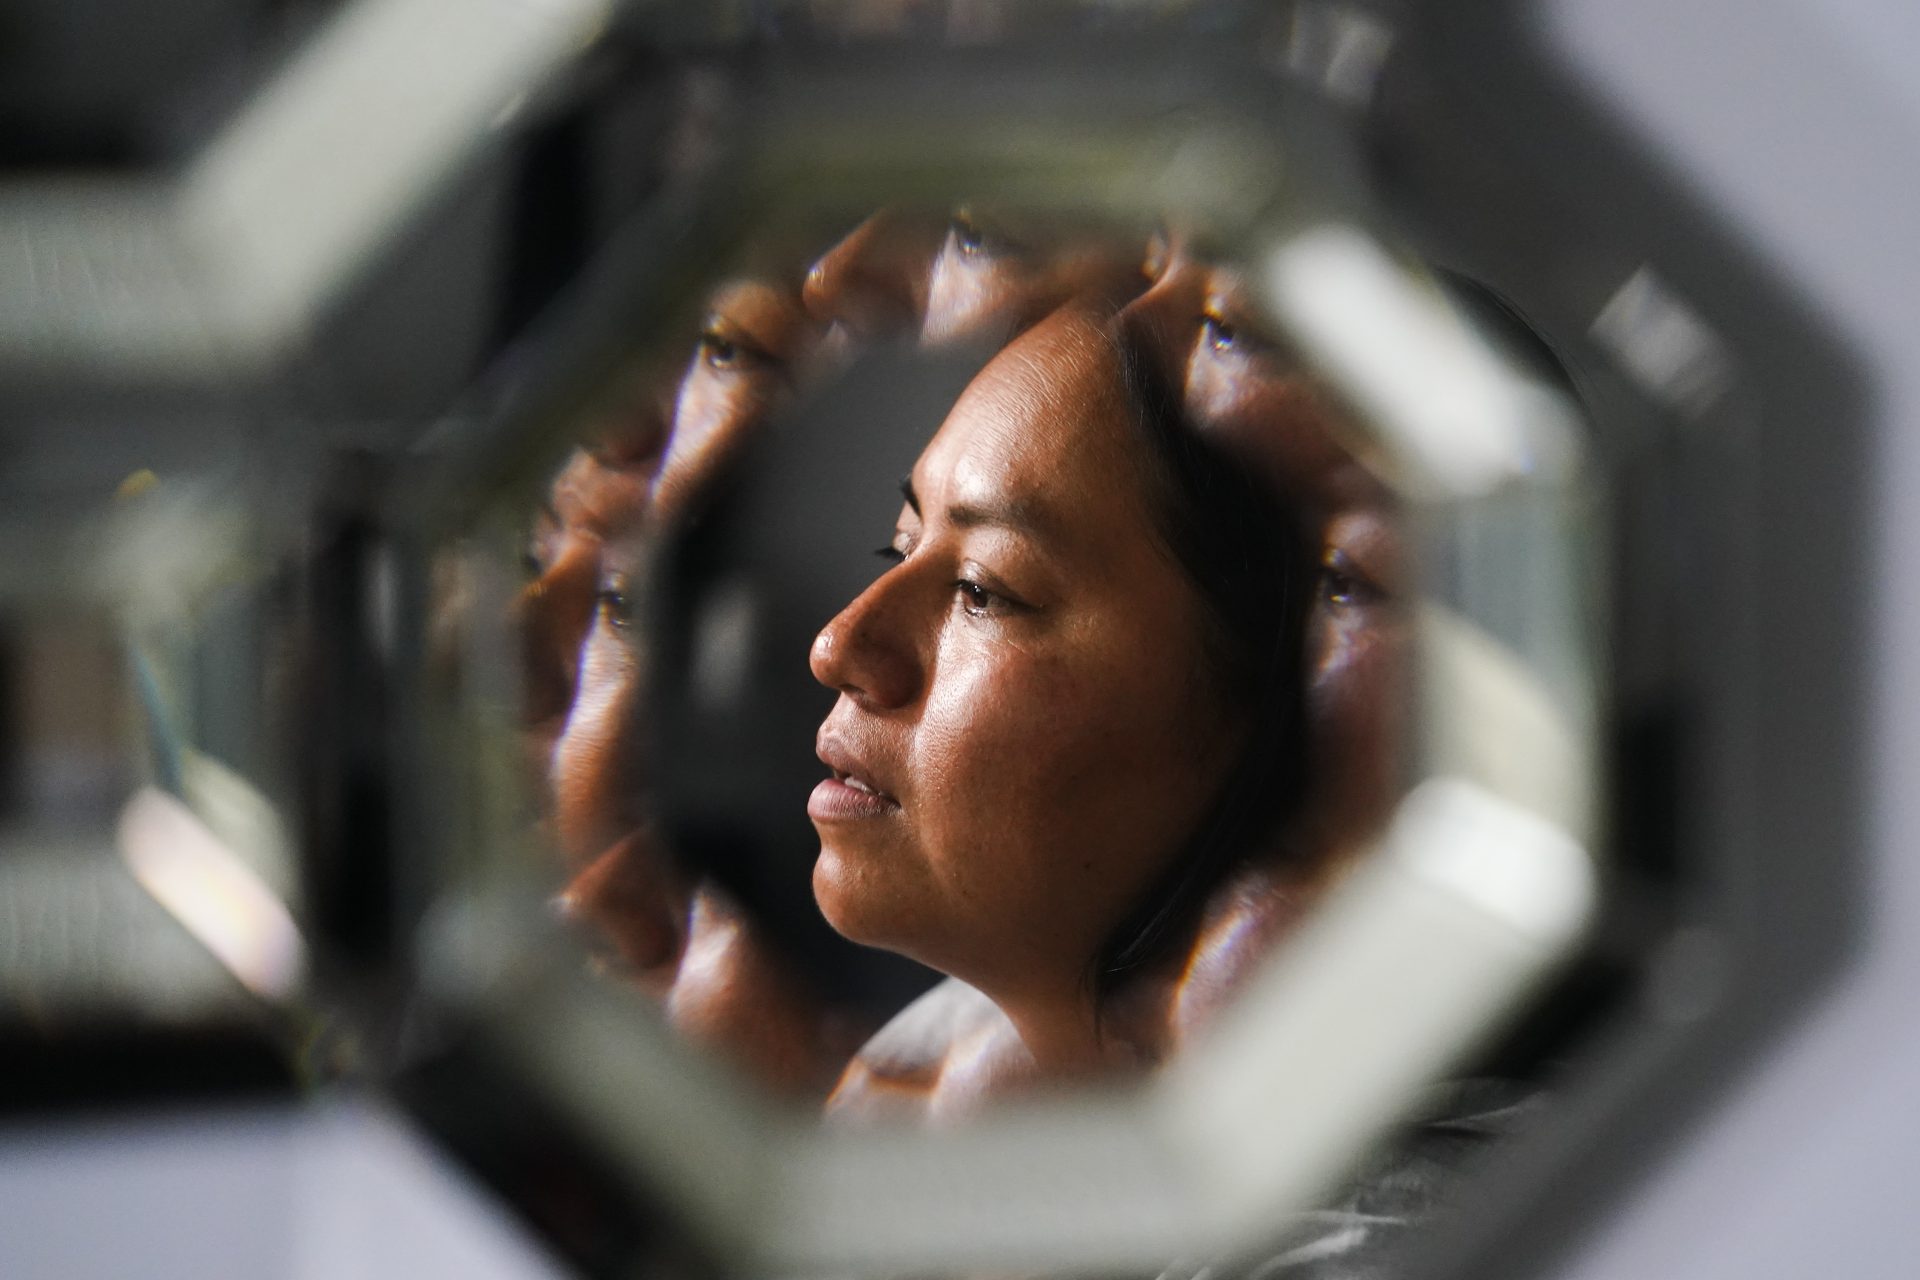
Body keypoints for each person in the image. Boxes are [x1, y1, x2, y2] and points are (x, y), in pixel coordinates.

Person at [807, 297, 1314, 1083]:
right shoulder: (906, 1094)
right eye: (898, 547)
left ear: (1272, 720)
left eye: (983, 590)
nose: (837, 646)